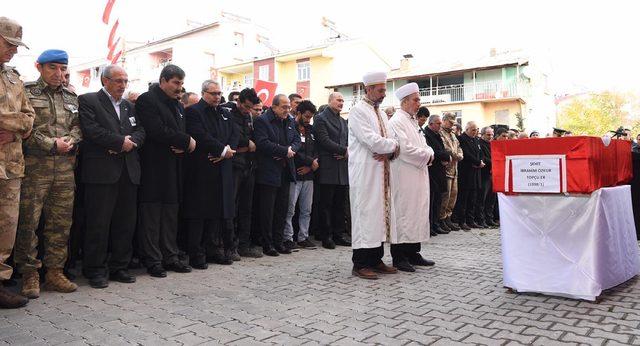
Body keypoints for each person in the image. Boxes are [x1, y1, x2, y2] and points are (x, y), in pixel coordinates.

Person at [16, 49, 81, 298]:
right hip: (35, 168)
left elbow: (78, 127)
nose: (59, 73)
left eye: (62, 68)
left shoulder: (71, 97)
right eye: (52, 67)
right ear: (39, 67)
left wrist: (69, 141)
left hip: (64, 169)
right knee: (28, 223)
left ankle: (55, 272)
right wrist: (51, 144)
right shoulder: (26, 92)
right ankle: (30, 273)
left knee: (61, 222)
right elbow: (25, 129)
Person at [78, 65, 145, 288]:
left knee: (125, 222)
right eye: (118, 81)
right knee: (99, 223)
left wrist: (131, 142)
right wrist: (119, 142)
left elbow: (141, 131)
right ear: (105, 81)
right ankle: (95, 269)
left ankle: (119, 266)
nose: (123, 85)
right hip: (102, 174)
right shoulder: (88, 101)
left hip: (128, 172)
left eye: (125, 81)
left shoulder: (128, 106)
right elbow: (91, 130)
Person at [136, 64, 196, 278]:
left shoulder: (178, 105)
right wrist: (186, 140)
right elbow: (156, 130)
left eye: (181, 83)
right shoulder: (147, 100)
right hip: (153, 167)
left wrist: (184, 143)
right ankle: (153, 260)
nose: (179, 88)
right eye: (176, 83)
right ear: (163, 80)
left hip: (174, 167)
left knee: (170, 214)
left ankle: (170, 256)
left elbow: (180, 131)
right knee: (152, 216)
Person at [348, 71, 399, 280]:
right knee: (365, 216)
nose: (384, 94)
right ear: (368, 89)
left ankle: (376, 259)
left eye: (385, 90)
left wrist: (392, 147)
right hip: (366, 172)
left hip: (382, 171)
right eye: (380, 90)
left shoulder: (380, 112)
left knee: (379, 216)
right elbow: (371, 140)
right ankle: (360, 263)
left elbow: (393, 139)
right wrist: (392, 145)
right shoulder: (357, 111)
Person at [183, 80, 238, 268]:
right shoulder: (193, 112)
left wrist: (225, 152)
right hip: (202, 169)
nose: (217, 97)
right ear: (204, 92)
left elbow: (234, 133)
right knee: (199, 213)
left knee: (218, 212)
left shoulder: (224, 113)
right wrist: (221, 150)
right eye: (213, 93)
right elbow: (200, 135)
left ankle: (213, 250)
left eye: (219, 93)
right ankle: (196, 254)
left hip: (222, 167)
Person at [0, 17, 34, 309]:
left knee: (6, 229)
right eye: (9, 44)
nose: (13, 51)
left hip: (11, 166)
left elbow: (30, 116)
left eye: (16, 46)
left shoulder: (14, 78)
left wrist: (14, 127)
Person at [387, 83, 435, 272]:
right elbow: (405, 150)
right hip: (404, 174)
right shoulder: (397, 121)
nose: (418, 104)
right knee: (404, 214)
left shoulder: (413, 121)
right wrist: (427, 155)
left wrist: (429, 153)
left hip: (418, 173)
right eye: (416, 100)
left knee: (417, 212)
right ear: (405, 101)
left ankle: (414, 252)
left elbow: (425, 144)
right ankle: (399, 256)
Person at [254, 94, 301, 256]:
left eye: (289, 107)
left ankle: (278, 241)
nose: (287, 110)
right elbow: (262, 143)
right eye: (284, 107)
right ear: (274, 107)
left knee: (282, 208)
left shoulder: (290, 120)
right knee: (268, 210)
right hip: (268, 171)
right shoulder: (262, 120)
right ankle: (267, 244)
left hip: (285, 170)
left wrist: (290, 150)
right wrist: (283, 151)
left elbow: (296, 140)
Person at [313, 92, 350, 249]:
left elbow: (348, 141)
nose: (341, 103)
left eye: (342, 100)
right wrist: (344, 150)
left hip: (341, 167)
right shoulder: (321, 118)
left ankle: (338, 234)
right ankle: (326, 236)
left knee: (340, 204)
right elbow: (324, 141)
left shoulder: (343, 121)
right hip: (328, 166)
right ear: (330, 101)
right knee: (326, 203)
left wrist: (346, 152)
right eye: (338, 100)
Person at [228, 88, 262, 258]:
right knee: (232, 207)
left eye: (250, 107)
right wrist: (246, 142)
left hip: (248, 165)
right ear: (239, 101)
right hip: (235, 165)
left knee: (246, 208)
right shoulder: (229, 113)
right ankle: (230, 245)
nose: (247, 110)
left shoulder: (249, 116)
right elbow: (234, 138)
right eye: (246, 106)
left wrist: (249, 142)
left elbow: (253, 137)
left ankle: (244, 244)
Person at [284, 100, 318, 250]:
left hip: (309, 175)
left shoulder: (311, 130)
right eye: (306, 116)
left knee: (306, 209)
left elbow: (317, 150)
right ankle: (287, 237)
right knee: (290, 209)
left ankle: (303, 237)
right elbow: (293, 151)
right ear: (298, 113)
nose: (308, 120)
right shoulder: (290, 127)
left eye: (310, 117)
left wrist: (311, 166)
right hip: (295, 173)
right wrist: (310, 162)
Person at [423, 113, 452, 235]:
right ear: (431, 124)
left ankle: (435, 224)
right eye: (438, 123)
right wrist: (446, 156)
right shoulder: (426, 134)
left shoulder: (437, 134)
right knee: (432, 200)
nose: (440, 126)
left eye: (440, 123)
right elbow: (434, 151)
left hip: (440, 171)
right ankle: (429, 226)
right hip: (432, 171)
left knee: (438, 199)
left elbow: (443, 149)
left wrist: (446, 156)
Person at [453, 121, 484, 230]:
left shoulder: (476, 139)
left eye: (476, 130)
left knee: (473, 198)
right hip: (466, 173)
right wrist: (477, 162)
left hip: (475, 173)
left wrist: (480, 161)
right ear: (467, 129)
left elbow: (480, 152)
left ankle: (471, 220)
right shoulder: (461, 139)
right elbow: (466, 153)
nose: (475, 132)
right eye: (473, 130)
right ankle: (462, 221)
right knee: (464, 199)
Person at [438, 113, 463, 232]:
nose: (452, 125)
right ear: (444, 120)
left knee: (453, 195)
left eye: (453, 123)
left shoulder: (453, 134)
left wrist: (459, 155)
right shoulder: (440, 133)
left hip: (455, 169)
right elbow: (445, 149)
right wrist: (455, 155)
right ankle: (441, 219)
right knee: (445, 196)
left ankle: (448, 217)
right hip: (446, 169)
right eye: (450, 122)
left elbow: (459, 147)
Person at [475, 126, 497, 228]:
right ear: (482, 134)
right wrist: (495, 162)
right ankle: (481, 220)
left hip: (493, 174)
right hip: (484, 174)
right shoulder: (479, 144)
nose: (490, 136)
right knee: (482, 199)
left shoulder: (493, 144)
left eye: (492, 134)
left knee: (491, 199)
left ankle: (489, 218)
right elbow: (483, 158)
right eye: (488, 135)